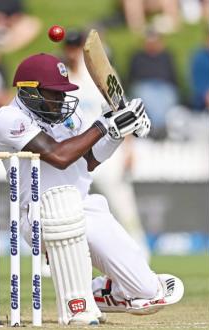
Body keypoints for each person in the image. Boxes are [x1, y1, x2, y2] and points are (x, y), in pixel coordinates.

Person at [0, 53, 184, 325]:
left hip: (85, 206)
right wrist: (104, 123)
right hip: (42, 214)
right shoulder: (9, 118)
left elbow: (88, 160)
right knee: (64, 215)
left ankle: (102, 292)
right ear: (30, 91)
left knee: (146, 292)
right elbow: (59, 156)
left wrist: (118, 132)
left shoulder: (69, 115)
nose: (61, 100)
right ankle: (76, 304)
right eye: (54, 94)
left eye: (63, 93)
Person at [60, 30, 151, 262]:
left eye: (75, 46)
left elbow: (123, 112)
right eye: (69, 47)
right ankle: (54, 257)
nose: (71, 51)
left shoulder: (102, 77)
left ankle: (140, 250)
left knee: (122, 202)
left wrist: (129, 149)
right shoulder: (63, 79)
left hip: (108, 146)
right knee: (68, 205)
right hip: (78, 149)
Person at [128, 28, 179, 140]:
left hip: (164, 88)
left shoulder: (167, 56)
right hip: (144, 87)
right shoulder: (137, 56)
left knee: (167, 96)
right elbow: (131, 79)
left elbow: (174, 79)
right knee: (146, 95)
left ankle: (158, 127)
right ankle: (157, 127)